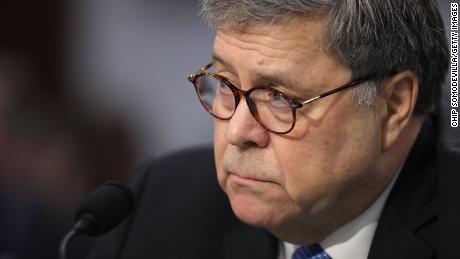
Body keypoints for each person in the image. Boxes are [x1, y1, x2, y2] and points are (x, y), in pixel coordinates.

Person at [89, 0, 458, 258]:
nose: (237, 132)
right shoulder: (159, 203)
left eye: (279, 97)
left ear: (392, 107)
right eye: (226, 84)